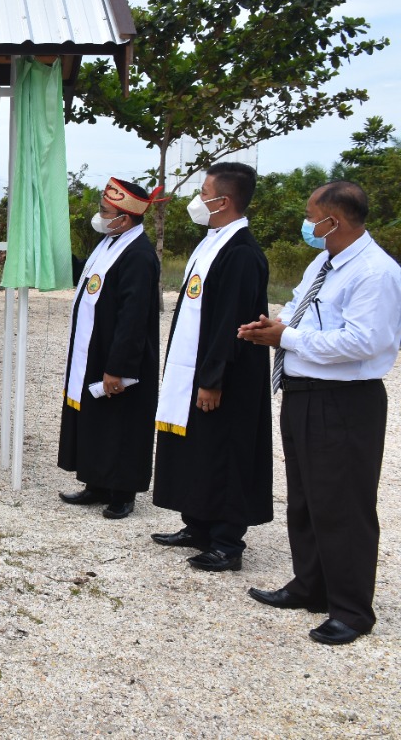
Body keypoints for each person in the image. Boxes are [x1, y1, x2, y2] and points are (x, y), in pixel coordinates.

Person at [240, 181, 401, 645]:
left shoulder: (375, 272)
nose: (307, 223)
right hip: (304, 389)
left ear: (334, 220)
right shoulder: (326, 260)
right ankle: (310, 585)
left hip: (345, 399)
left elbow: (364, 342)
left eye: (312, 215)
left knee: (343, 504)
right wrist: (276, 325)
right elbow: (300, 306)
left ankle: (351, 610)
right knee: (307, 497)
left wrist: (285, 339)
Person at [151, 162, 272, 572]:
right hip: (200, 368)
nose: (198, 200)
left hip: (228, 376)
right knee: (199, 447)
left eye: (204, 192)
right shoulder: (213, 242)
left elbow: (231, 322)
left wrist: (212, 378)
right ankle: (197, 523)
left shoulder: (241, 253)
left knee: (226, 451)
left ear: (223, 200)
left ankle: (227, 542)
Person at [58, 179, 163, 520]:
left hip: (120, 356)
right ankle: (97, 483)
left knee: (123, 422)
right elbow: (88, 281)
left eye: (106, 212)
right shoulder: (110, 243)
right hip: (96, 346)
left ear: (126, 217)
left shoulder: (139, 255)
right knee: (97, 418)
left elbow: (132, 318)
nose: (100, 216)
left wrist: (118, 367)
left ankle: (123, 491)